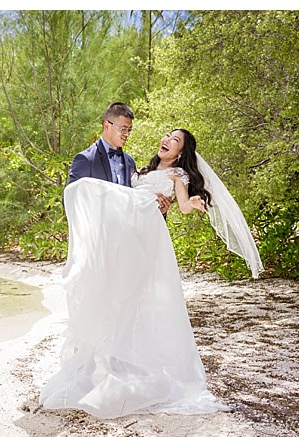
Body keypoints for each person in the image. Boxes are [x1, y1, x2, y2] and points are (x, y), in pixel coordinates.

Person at [39, 128, 263, 419]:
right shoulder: (138, 170)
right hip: (123, 234)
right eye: (167, 136)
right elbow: (123, 197)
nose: (167, 141)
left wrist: (191, 203)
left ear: (181, 152)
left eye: (175, 140)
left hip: (145, 235)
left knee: (132, 298)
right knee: (112, 294)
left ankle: (126, 371)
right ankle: (105, 366)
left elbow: (182, 206)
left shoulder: (177, 175)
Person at [67, 102, 172, 214]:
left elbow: (134, 202)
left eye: (129, 130)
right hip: (97, 230)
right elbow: (70, 200)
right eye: (123, 129)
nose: (127, 134)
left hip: (126, 230)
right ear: (107, 125)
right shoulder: (86, 159)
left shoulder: (129, 162)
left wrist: (159, 210)